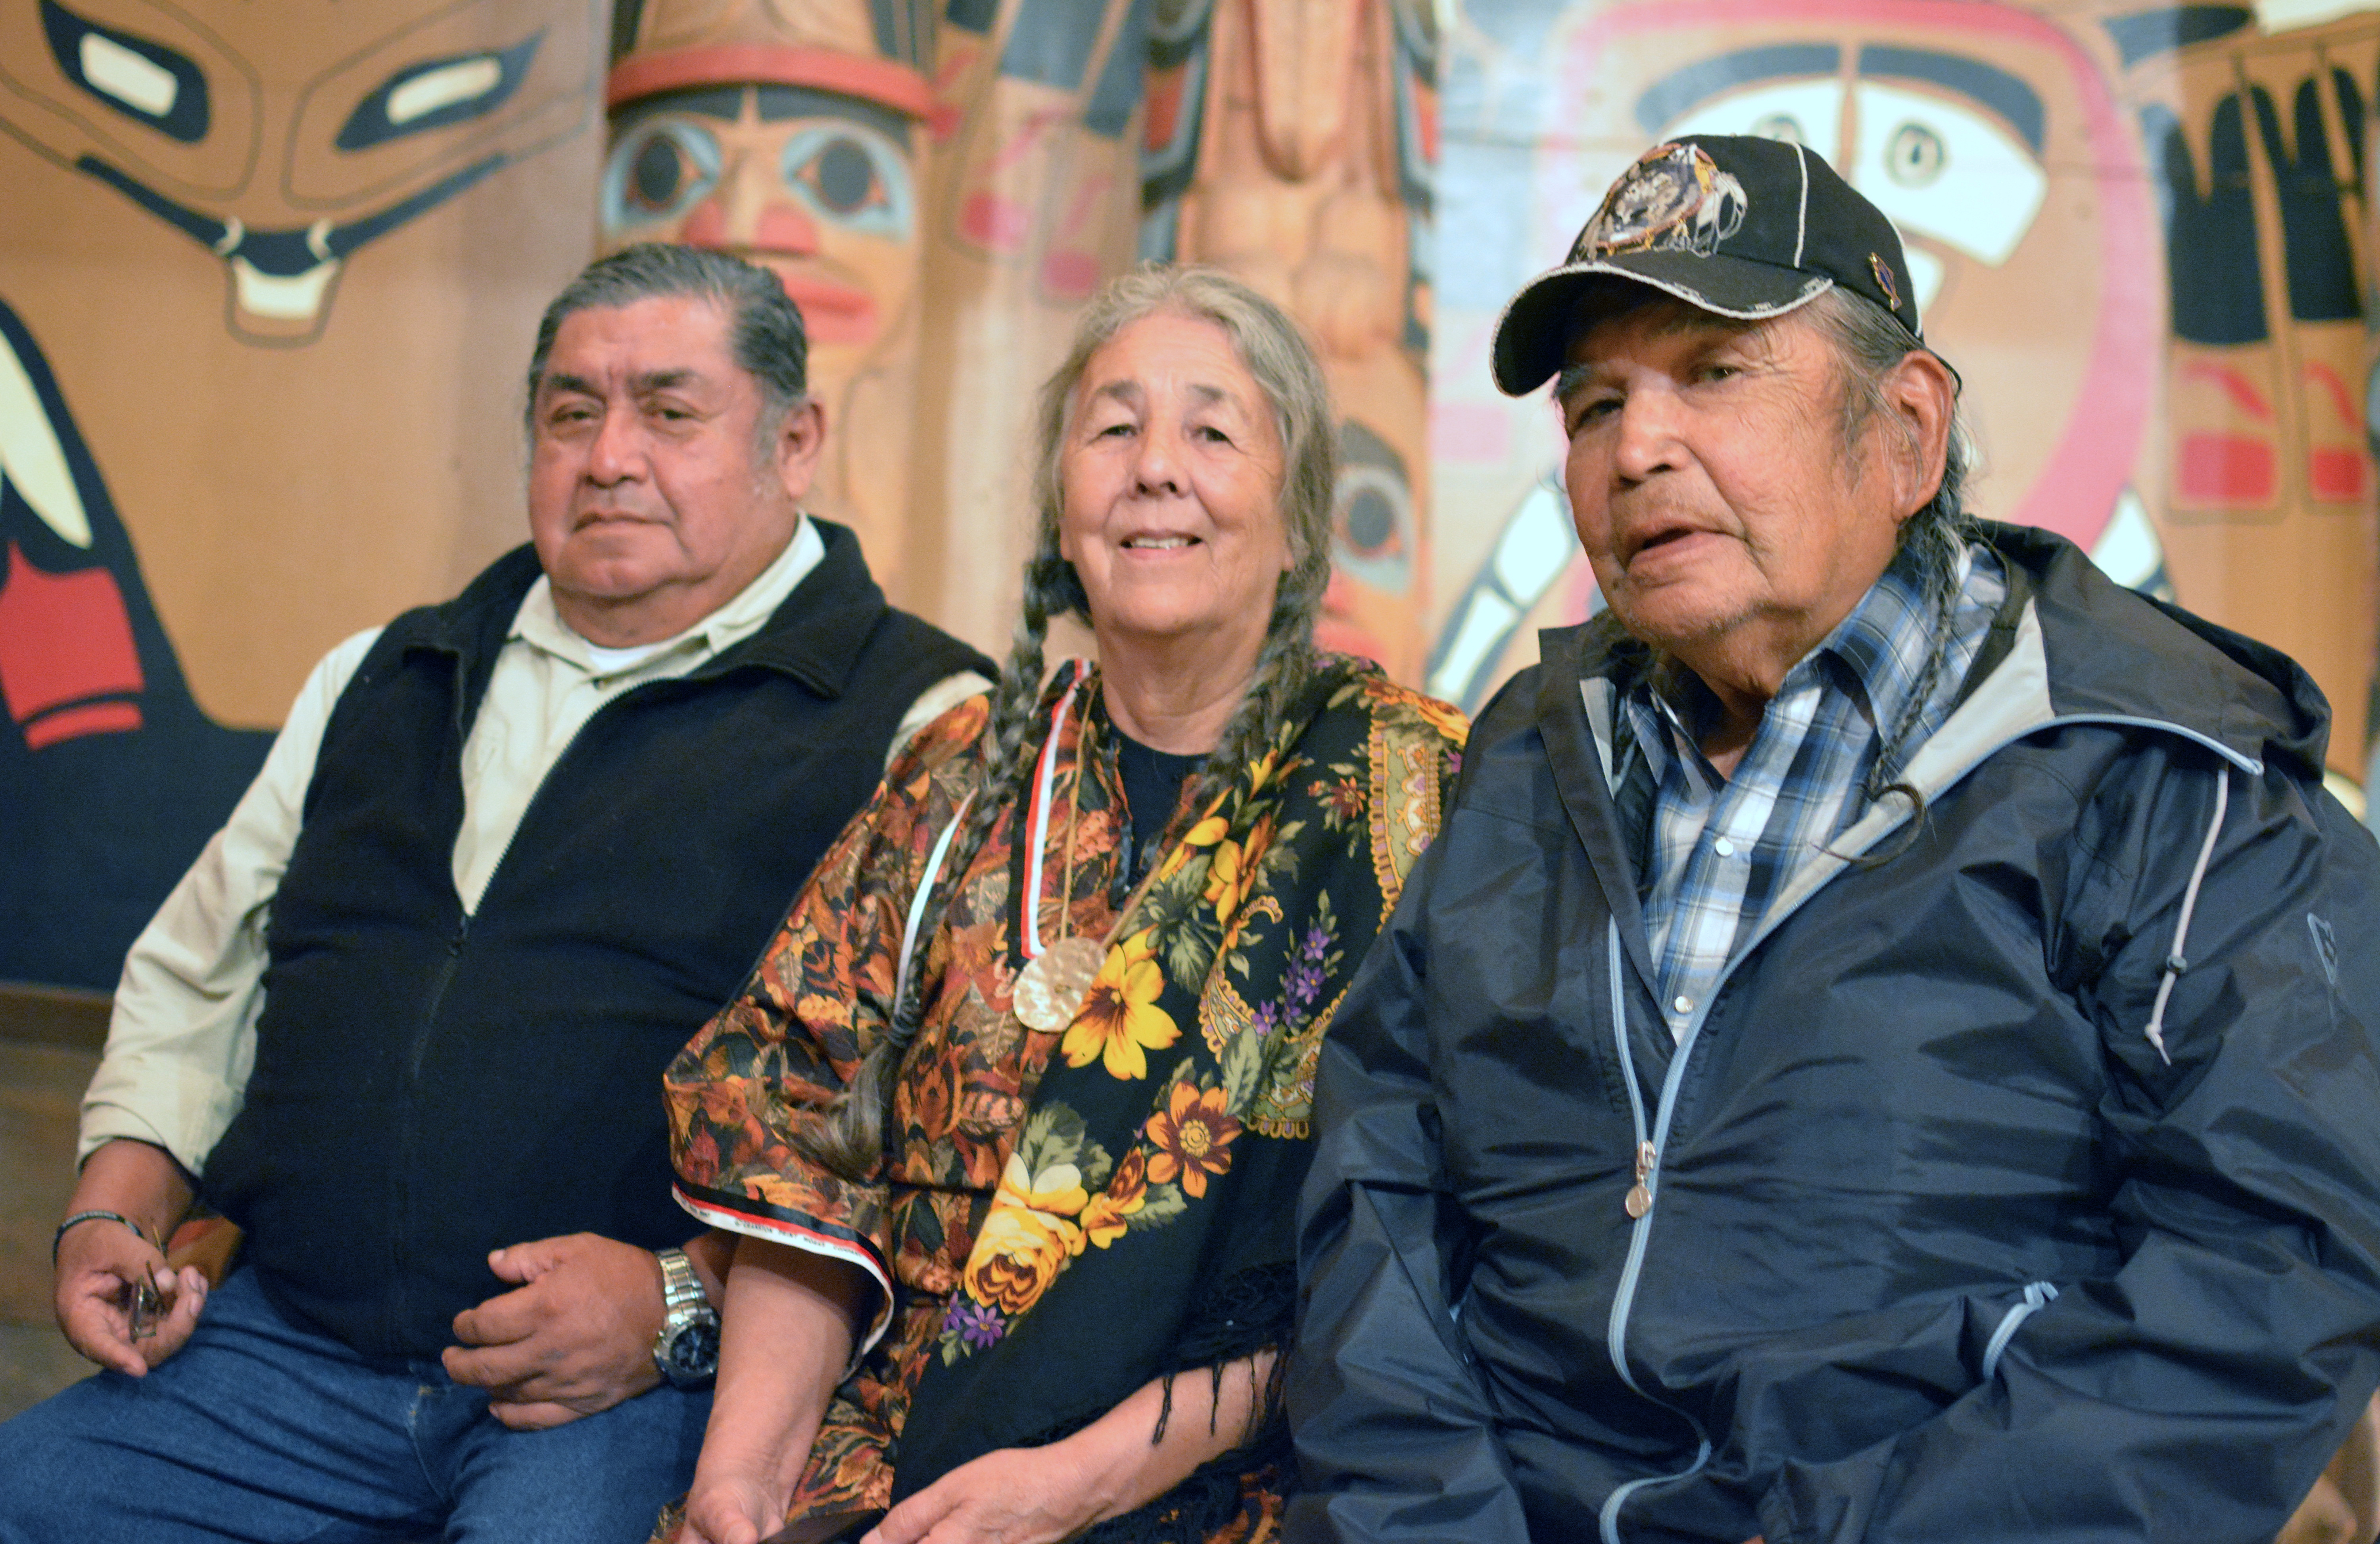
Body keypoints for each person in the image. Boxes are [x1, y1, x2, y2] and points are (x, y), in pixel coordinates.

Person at [1289, 134, 2380, 1543]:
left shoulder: (2164, 766)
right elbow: (1380, 1185)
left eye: (1714, 374)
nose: (1636, 450)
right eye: (1596, 404)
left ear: (1907, 431)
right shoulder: (1530, 756)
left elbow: (2274, 1269)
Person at [0, 243, 992, 1542]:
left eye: (671, 413)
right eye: (572, 413)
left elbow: (932, 1132)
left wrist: (676, 1302)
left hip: (624, 1397)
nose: (610, 457)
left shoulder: (922, 722)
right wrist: (110, 1212)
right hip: (285, 1350)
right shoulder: (389, 671)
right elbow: (201, 979)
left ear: (795, 443)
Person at [658, 264, 1466, 1544]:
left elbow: (1414, 1245)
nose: (1156, 470)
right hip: (898, 1461)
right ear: (1061, 511)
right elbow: (798, 1139)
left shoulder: (1415, 796)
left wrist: (1066, 1488)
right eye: (1113, 428)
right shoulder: (955, 776)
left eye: (1213, 433)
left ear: (1300, 519)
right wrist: (745, 1482)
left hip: (1234, 1485)